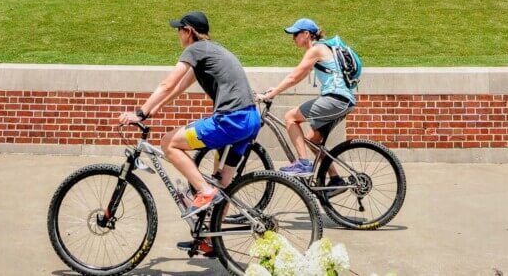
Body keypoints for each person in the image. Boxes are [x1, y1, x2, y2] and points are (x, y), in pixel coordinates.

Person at [118, 11, 260, 223]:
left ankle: (203, 191)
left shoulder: (195, 49)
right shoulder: (212, 50)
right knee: (223, 183)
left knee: (169, 144)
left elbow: (168, 83)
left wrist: (140, 113)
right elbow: (179, 87)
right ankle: (212, 240)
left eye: (179, 29)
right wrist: (156, 108)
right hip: (250, 120)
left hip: (231, 121)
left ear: (189, 31)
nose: (177, 34)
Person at [256, 18, 355, 184]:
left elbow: (294, 77)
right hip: (342, 100)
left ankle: (303, 163)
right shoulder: (321, 49)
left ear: (306, 34)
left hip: (336, 99)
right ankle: (336, 179)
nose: (293, 38)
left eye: (295, 34)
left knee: (290, 117)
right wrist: (276, 90)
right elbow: (300, 76)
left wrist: (270, 94)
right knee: (312, 140)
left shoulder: (316, 49)